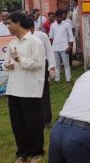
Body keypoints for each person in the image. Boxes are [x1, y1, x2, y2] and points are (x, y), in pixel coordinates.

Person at [4, 11, 46, 163]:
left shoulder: (35, 42)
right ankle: (22, 153)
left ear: (18, 23)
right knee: (17, 123)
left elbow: (38, 64)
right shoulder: (12, 43)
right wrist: (9, 64)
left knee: (32, 122)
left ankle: (36, 152)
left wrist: (19, 59)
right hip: (14, 89)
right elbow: (7, 63)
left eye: (9, 23)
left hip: (30, 89)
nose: (7, 26)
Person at [28, 18, 56, 128]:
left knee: (44, 92)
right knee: (32, 93)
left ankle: (46, 120)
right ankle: (35, 119)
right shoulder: (23, 38)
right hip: (30, 66)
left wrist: (52, 66)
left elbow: (49, 51)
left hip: (42, 66)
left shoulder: (42, 36)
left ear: (32, 27)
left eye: (28, 29)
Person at [49, 10, 74, 83]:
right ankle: (57, 79)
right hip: (55, 47)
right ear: (55, 17)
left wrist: (70, 46)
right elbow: (51, 37)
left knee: (66, 64)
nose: (59, 19)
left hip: (64, 47)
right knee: (57, 65)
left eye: (60, 17)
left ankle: (68, 79)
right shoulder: (53, 25)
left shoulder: (67, 25)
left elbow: (71, 36)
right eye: (58, 17)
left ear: (62, 17)